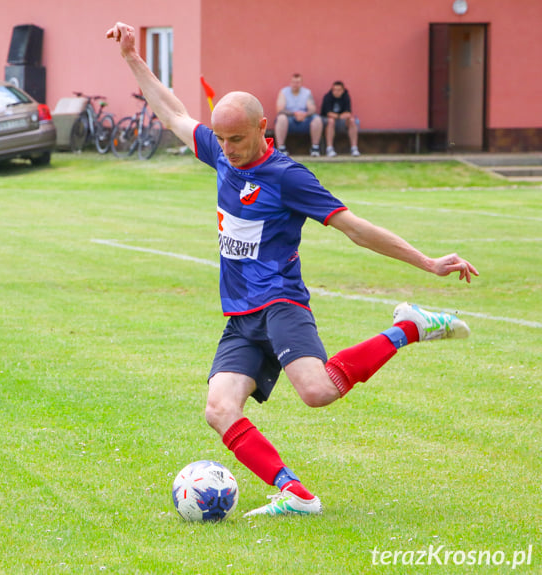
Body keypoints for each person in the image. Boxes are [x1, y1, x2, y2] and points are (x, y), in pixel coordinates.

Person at [106, 22, 478, 517]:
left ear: (263, 129)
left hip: (281, 302)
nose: (228, 149)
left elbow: (354, 227)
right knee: (219, 409)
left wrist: (428, 263)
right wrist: (133, 57)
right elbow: (173, 112)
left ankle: (409, 326)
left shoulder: (287, 177)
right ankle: (296, 494)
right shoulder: (221, 152)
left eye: (237, 139)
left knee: (318, 391)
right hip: (240, 316)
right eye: (221, 139)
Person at [274, 73, 323, 156]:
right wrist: (295, 114)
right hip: (289, 119)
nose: (295, 84)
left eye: (297, 82)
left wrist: (305, 114)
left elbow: (312, 109)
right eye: (293, 82)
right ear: (290, 82)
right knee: (281, 118)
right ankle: (281, 148)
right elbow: (280, 109)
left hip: (305, 119)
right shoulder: (284, 92)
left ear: (301, 83)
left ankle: (315, 148)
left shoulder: (307, 92)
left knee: (317, 119)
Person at [321, 81, 360, 157]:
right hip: (327, 121)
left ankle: (354, 148)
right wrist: (339, 116)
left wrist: (341, 116)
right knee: (331, 121)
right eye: (334, 90)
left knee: (352, 120)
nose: (336, 92)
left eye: (339, 90)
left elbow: (348, 113)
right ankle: (329, 148)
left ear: (342, 90)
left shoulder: (346, 96)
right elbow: (328, 113)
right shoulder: (328, 96)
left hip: (341, 120)